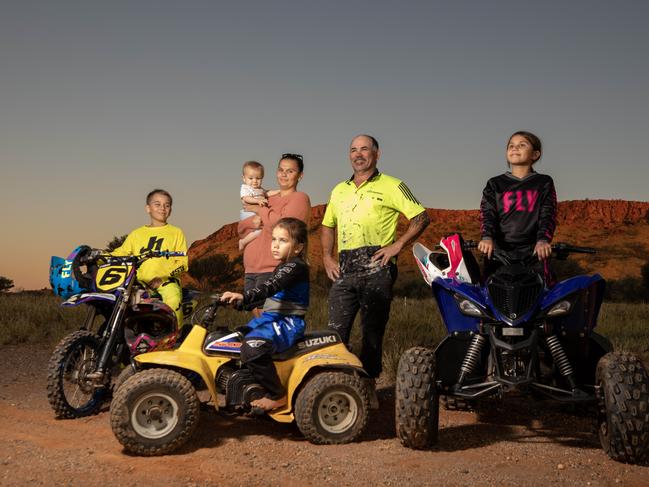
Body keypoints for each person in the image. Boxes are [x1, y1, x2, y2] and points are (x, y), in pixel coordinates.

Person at [321, 134, 429, 396]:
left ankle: (368, 390)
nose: (358, 154)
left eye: (365, 149)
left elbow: (421, 216)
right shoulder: (339, 189)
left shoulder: (393, 185)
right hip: (344, 267)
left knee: (371, 331)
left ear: (376, 154)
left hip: (377, 267)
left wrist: (397, 245)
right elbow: (327, 225)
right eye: (353, 149)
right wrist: (327, 256)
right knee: (334, 332)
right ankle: (334, 388)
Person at [221, 217, 309, 411]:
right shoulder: (283, 266)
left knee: (253, 346)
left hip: (288, 323)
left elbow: (270, 287)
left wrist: (244, 296)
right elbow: (269, 298)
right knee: (230, 339)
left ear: (298, 247)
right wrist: (238, 303)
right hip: (270, 319)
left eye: (283, 240)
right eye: (274, 239)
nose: (275, 245)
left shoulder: (295, 267)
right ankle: (246, 383)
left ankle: (277, 394)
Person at [477, 131, 557, 282]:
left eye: (522, 145)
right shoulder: (495, 183)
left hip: (534, 251)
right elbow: (488, 213)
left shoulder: (543, 182)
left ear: (535, 154)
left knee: (543, 292)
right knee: (491, 293)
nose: (515, 148)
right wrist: (487, 237)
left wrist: (543, 240)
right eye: (511, 146)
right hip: (499, 252)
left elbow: (548, 213)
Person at [238, 154, 311, 317]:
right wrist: (255, 221)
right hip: (251, 268)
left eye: (290, 171)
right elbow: (241, 228)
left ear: (300, 176)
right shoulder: (264, 198)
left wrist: (260, 211)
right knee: (258, 320)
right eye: (281, 170)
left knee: (269, 319)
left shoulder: (299, 198)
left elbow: (284, 228)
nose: (283, 174)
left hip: (272, 267)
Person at [111, 189, 188, 325]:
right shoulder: (137, 234)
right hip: (139, 283)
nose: (163, 208)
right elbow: (121, 252)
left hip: (166, 283)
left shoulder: (176, 232)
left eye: (167, 205)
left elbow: (183, 263)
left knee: (173, 300)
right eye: (157, 204)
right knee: (120, 305)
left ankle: (176, 337)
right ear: (148, 208)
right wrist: (100, 256)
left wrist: (162, 277)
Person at [238, 161, 280, 251]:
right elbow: (246, 198)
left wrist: (278, 191)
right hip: (248, 213)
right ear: (244, 178)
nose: (255, 181)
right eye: (251, 178)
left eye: (258, 178)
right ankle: (243, 241)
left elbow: (268, 193)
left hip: (255, 213)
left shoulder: (260, 189)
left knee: (264, 228)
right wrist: (257, 200)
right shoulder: (246, 188)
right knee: (259, 230)